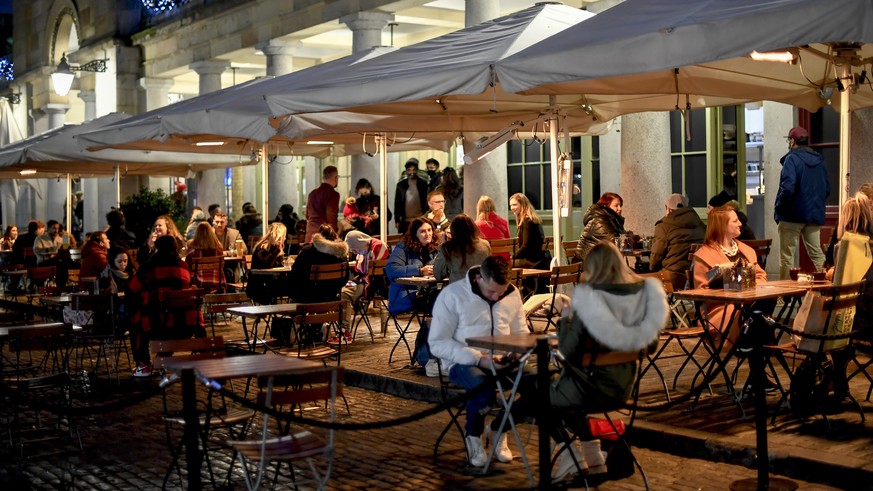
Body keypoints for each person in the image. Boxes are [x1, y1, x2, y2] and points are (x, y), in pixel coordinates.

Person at [549, 241, 667, 482]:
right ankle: (593, 458)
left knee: (537, 394)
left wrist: (564, 321)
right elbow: (651, 344)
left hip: (589, 388)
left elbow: (567, 351)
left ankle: (573, 454)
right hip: (622, 387)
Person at [428, 256, 530, 467]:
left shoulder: (512, 294)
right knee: (483, 389)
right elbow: (437, 343)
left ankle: (498, 429)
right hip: (461, 362)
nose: (495, 297)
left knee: (541, 386)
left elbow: (521, 332)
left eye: (500, 293)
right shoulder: (453, 295)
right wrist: (479, 359)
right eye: (491, 291)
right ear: (478, 278)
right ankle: (473, 436)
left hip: (503, 359)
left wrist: (517, 354)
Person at [692, 205, 769, 349]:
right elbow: (702, 292)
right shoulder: (704, 255)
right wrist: (733, 284)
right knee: (754, 316)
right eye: (735, 221)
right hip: (721, 310)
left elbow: (761, 275)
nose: (740, 223)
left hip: (749, 304)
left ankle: (756, 362)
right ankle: (755, 357)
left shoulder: (747, 251)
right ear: (722, 225)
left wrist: (749, 284)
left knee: (760, 310)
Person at [128, 235, 204, 377]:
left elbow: (133, 288)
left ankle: (143, 365)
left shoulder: (149, 266)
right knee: (166, 319)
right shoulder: (183, 266)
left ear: (157, 249)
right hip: (186, 324)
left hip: (156, 325)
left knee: (136, 320)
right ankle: (160, 359)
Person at [775, 126, 830, 279]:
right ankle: (828, 287)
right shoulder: (820, 160)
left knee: (787, 258)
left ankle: (785, 295)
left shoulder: (791, 159)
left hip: (791, 215)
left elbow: (787, 188)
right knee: (817, 254)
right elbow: (826, 189)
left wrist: (779, 207)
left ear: (792, 141)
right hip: (813, 215)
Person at [289, 224, 350, 343]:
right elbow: (345, 280)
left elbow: (295, 274)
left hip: (307, 296)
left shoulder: (308, 252)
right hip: (331, 296)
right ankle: (317, 327)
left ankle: (308, 328)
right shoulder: (341, 254)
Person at [650, 193, 706, 290]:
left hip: (672, 278)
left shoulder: (664, 226)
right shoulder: (700, 224)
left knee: (637, 276)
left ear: (668, 209)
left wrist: (651, 269)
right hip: (695, 276)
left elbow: (656, 257)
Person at [385, 217, 440, 316]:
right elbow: (392, 270)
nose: (428, 234)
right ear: (415, 233)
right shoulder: (403, 248)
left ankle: (429, 329)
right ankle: (428, 329)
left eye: (429, 230)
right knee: (437, 300)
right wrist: (419, 271)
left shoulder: (435, 249)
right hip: (404, 296)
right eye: (423, 231)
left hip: (426, 293)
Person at [344, 231, 391, 336]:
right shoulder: (363, 251)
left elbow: (374, 274)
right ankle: (342, 329)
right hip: (364, 282)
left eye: (353, 248)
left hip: (373, 285)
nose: (353, 251)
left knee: (343, 295)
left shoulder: (377, 247)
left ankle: (344, 331)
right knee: (340, 291)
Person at [509, 193, 549, 294]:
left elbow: (525, 246)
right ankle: (524, 291)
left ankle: (519, 293)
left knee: (508, 265)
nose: (512, 208)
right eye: (510, 205)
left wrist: (512, 257)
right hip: (541, 259)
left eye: (514, 205)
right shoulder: (532, 218)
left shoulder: (527, 221)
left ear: (522, 204)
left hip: (535, 261)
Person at [433, 214, 491, 284]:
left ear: (453, 230)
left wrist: (443, 244)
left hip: (457, 290)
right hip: (480, 289)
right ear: (473, 227)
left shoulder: (447, 248)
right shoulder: (485, 245)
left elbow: (438, 274)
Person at [575, 192, 625, 266]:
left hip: (598, 265)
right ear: (606, 206)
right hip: (587, 269)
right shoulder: (599, 221)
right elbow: (614, 242)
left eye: (620, 205)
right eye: (616, 206)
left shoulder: (610, 219)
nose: (620, 209)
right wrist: (629, 240)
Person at [246, 222, 287, 305]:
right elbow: (266, 265)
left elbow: (279, 266)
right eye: (283, 236)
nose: (285, 238)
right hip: (260, 286)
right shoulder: (261, 248)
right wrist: (275, 248)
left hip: (271, 283)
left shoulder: (277, 250)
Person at [186, 221, 225, 292]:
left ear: (197, 233)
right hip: (217, 284)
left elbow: (187, 267)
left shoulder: (192, 252)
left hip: (198, 286)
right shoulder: (219, 249)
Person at [305, 165, 340, 243]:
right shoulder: (333, 194)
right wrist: (334, 234)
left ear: (323, 178)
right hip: (324, 234)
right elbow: (331, 215)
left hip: (310, 232)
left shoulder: (312, 194)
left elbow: (307, 214)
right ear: (336, 178)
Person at [393, 158, 429, 234]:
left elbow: (427, 201)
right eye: (409, 170)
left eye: (413, 170)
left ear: (417, 170)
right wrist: (397, 220)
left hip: (420, 219)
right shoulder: (401, 185)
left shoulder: (423, 184)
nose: (411, 172)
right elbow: (397, 203)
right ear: (406, 171)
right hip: (405, 221)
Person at [212, 211, 247, 283]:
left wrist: (226, 253)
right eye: (217, 222)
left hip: (230, 266)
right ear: (213, 222)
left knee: (229, 272)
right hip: (213, 267)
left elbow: (244, 250)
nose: (219, 224)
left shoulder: (234, 234)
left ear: (226, 223)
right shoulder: (208, 234)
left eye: (222, 222)